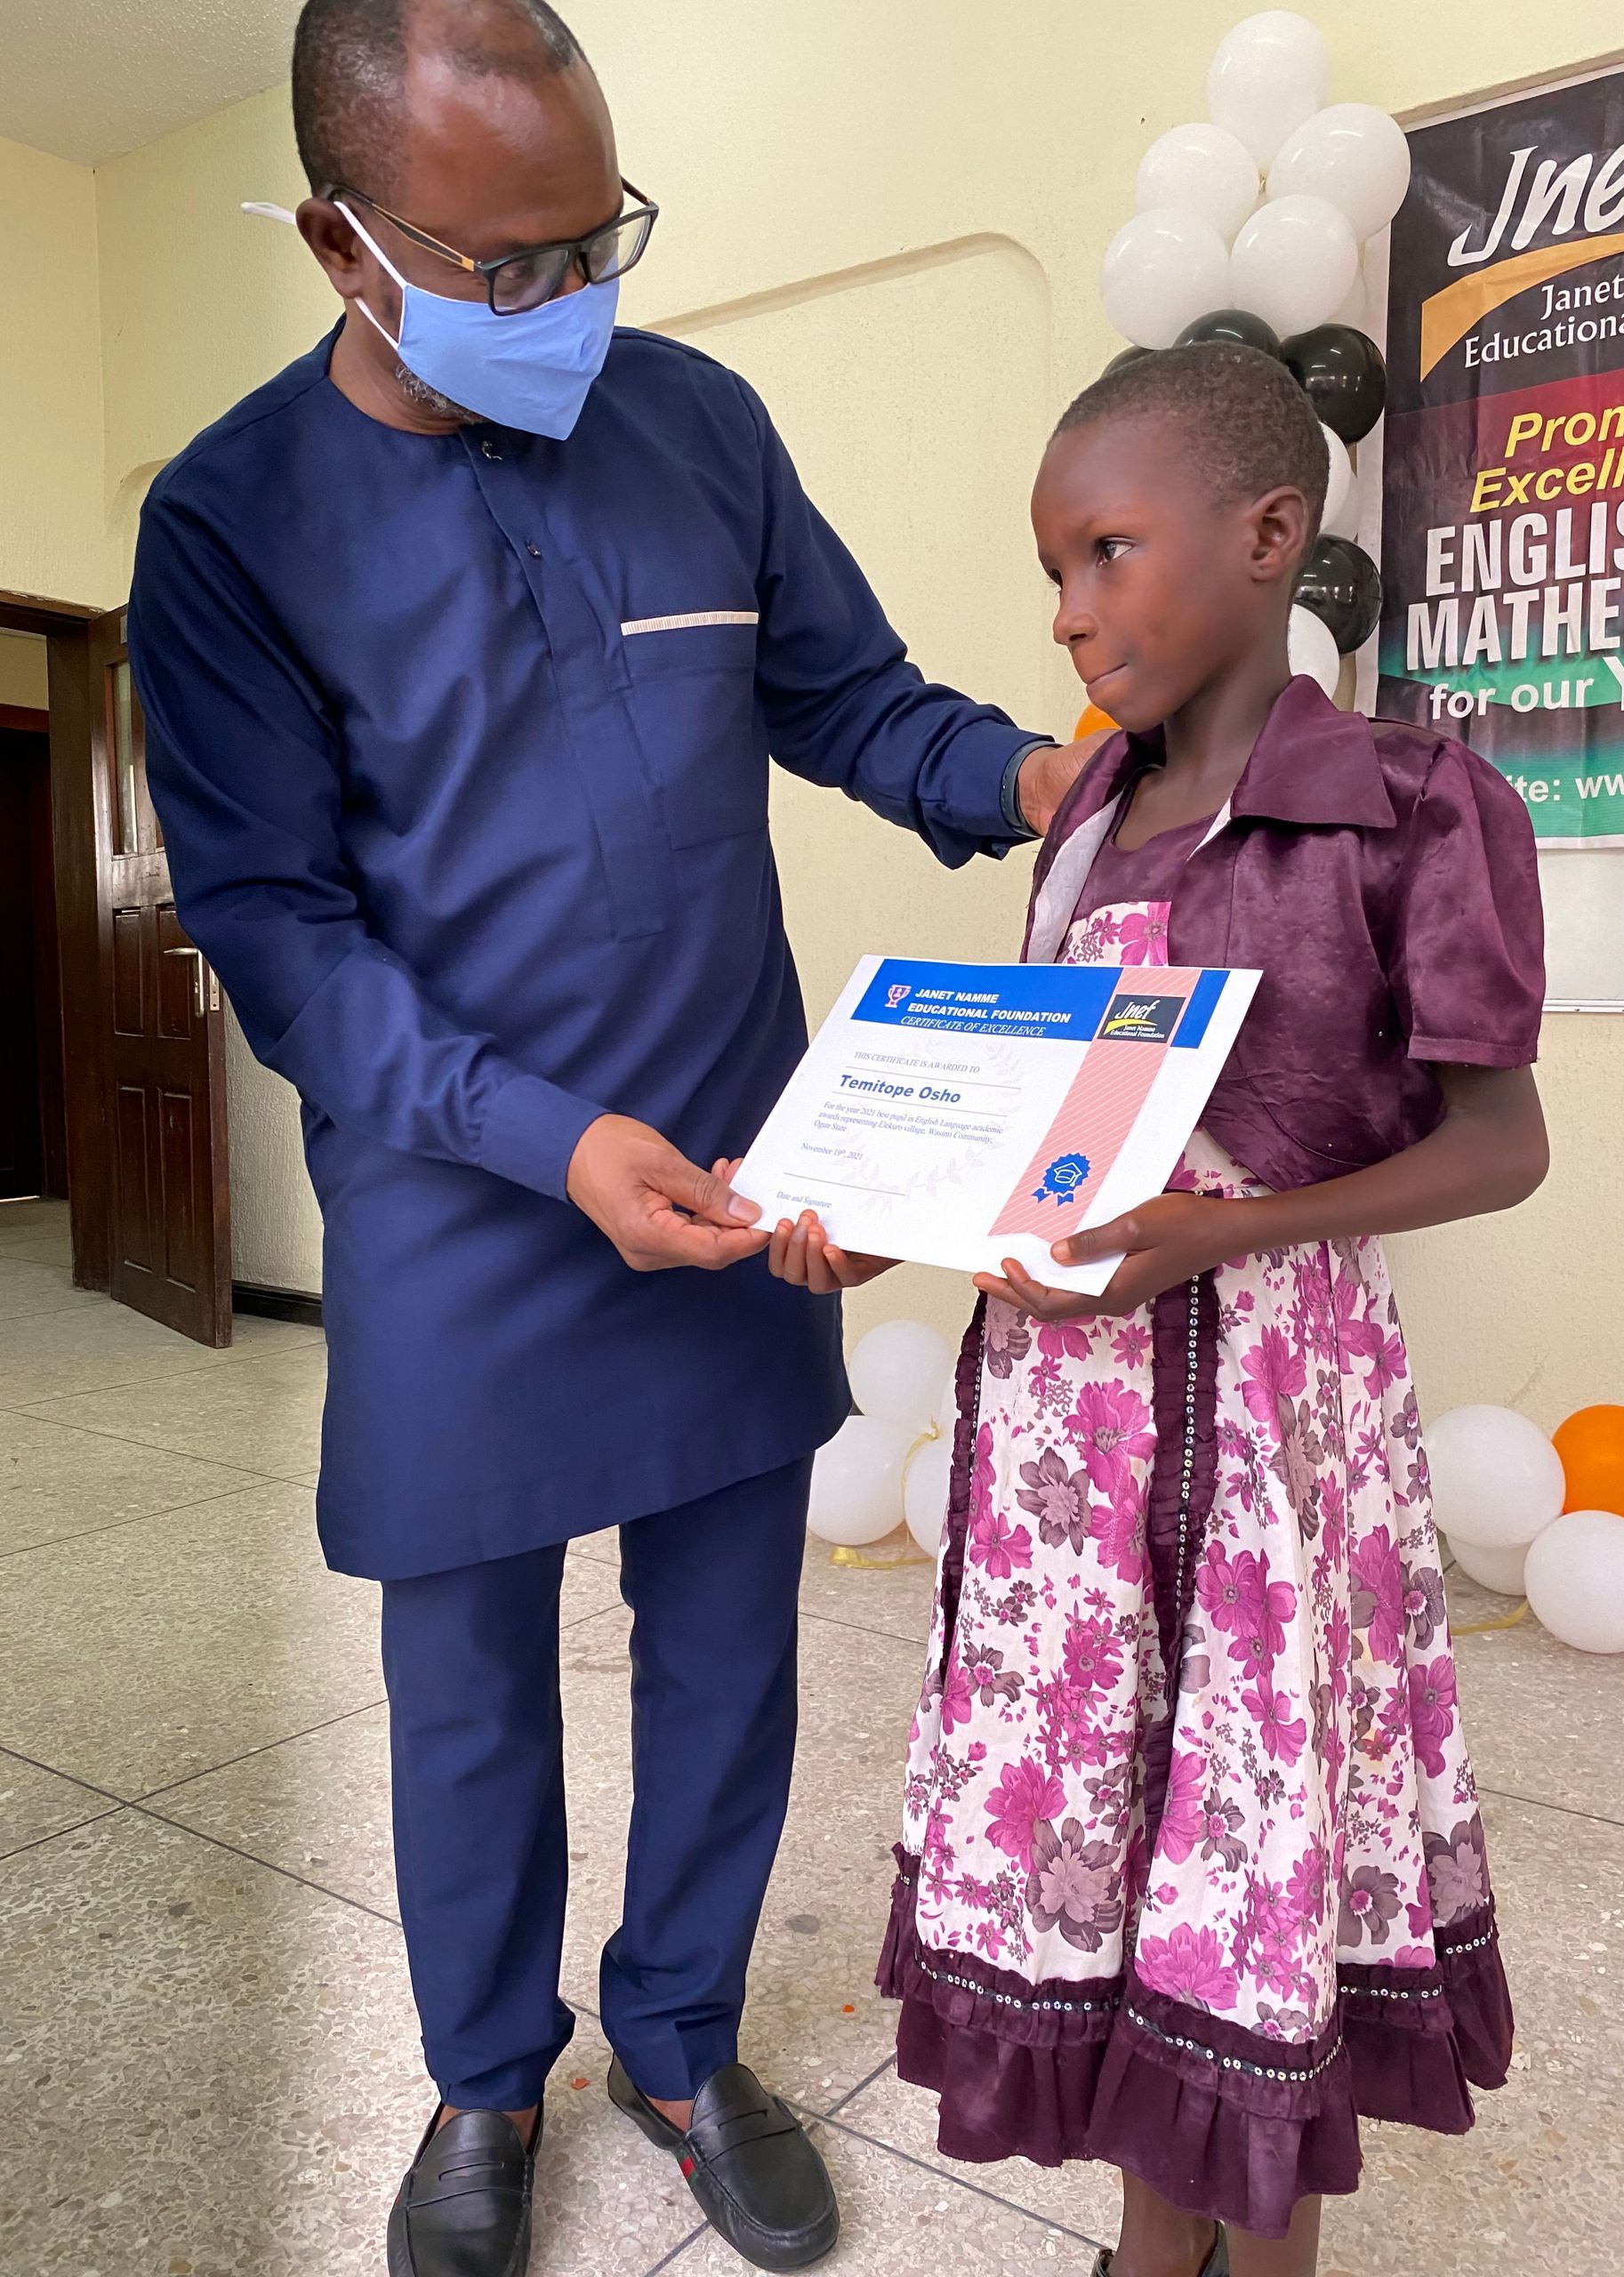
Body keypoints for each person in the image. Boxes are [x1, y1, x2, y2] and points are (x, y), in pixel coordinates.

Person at [126, 4, 1090, 2272]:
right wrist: (549, 1142)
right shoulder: (230, 521)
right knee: (464, 1686)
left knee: (728, 1646)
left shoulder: (701, 424)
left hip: (743, 1167)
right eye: (506, 263)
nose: (570, 305)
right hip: (465, 1199)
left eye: (599, 244)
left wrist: (1039, 780)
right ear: (345, 240)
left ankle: (680, 2031)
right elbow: (281, 931)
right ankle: (482, 2081)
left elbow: (848, 699)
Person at [768, 342, 1548, 2277]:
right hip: (1063, 1445)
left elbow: (1501, 1144)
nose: (1068, 610)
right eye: (1054, 566)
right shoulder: (1087, 811)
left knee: (1242, 1864)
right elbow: (1051, 1111)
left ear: (1270, 533)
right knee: (1111, 1852)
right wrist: (890, 1212)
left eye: (1108, 550)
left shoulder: (1412, 802)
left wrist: (1239, 1228)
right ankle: (1149, 2245)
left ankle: (1251, 2252)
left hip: (1274, 1427)